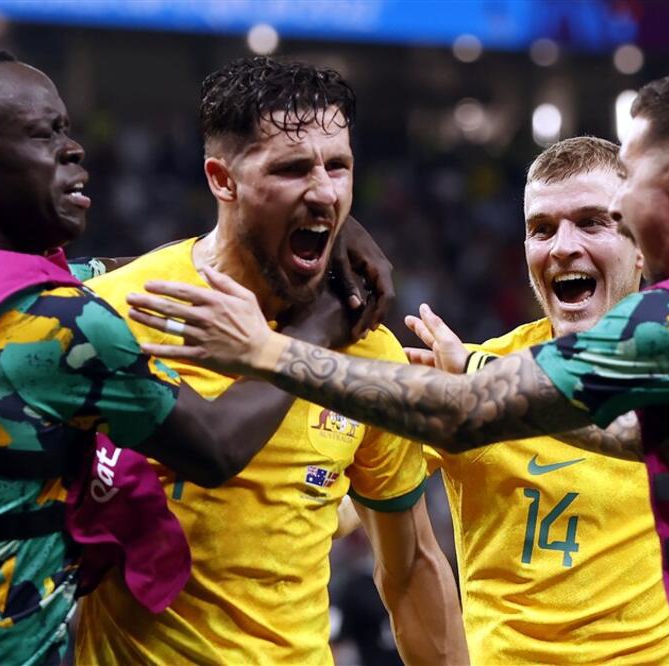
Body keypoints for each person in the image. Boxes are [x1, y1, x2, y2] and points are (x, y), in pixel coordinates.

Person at [131, 68, 669, 664]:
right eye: (541, 228)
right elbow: (632, 433)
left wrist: (269, 350)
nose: (569, 244)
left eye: (616, 201)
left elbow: (462, 412)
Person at [0, 50, 389, 666]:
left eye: (64, 128)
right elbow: (215, 447)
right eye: (43, 135)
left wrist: (306, 211)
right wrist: (318, 325)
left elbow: (93, 275)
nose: (74, 149)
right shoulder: (55, 326)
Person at [76, 57, 467, 665]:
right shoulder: (115, 313)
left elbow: (412, 564)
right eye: (292, 168)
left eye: (338, 166)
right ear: (222, 179)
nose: (325, 191)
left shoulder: (368, 347)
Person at [396, 136, 669, 663]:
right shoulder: (463, 377)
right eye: (541, 229)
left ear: (641, 242)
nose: (562, 247)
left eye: (591, 222)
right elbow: (344, 501)